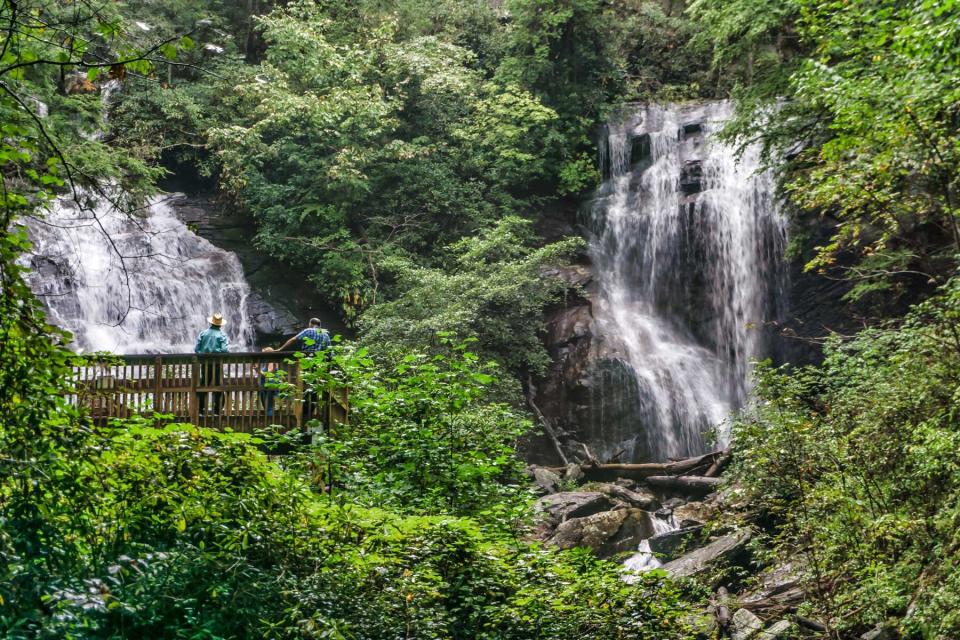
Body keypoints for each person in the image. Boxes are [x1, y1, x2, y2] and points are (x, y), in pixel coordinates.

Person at [195, 312, 230, 416]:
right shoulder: (222, 335)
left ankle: (200, 410)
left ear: (211, 323)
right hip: (217, 364)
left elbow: (196, 349)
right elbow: (224, 350)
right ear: (220, 325)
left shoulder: (202, 333)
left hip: (204, 364)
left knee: (203, 385)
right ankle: (217, 411)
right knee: (218, 386)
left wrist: (204, 354)